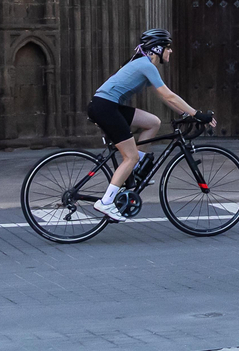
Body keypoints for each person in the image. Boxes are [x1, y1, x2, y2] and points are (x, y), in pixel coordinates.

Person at [86, 28, 209, 221]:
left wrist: (187, 114)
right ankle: (106, 202)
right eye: (168, 47)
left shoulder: (143, 65)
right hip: (105, 107)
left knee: (153, 122)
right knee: (130, 156)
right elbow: (169, 95)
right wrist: (197, 114)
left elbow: (166, 99)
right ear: (157, 49)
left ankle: (134, 170)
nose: (171, 51)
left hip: (107, 106)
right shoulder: (146, 65)